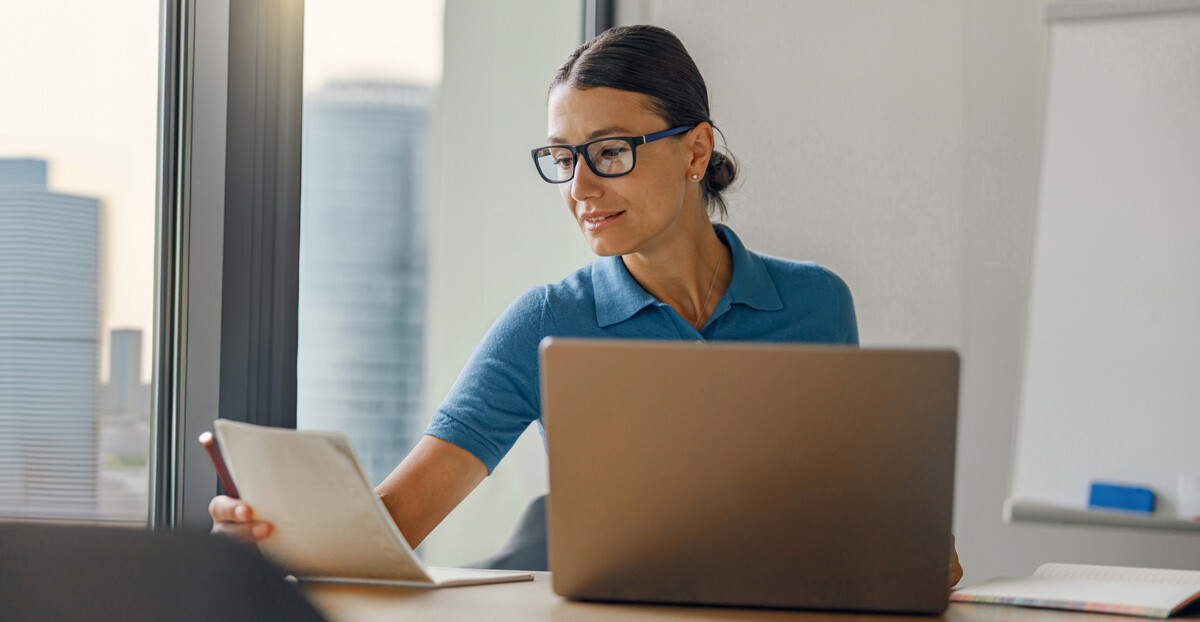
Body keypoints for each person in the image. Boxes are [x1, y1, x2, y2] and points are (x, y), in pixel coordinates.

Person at [210, 24, 963, 587]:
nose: (580, 189)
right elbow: (399, 519)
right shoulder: (548, 322)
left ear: (696, 151)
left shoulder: (817, 303)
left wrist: (908, 543)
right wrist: (283, 534)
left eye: (609, 152)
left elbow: (848, 512)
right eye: (563, 158)